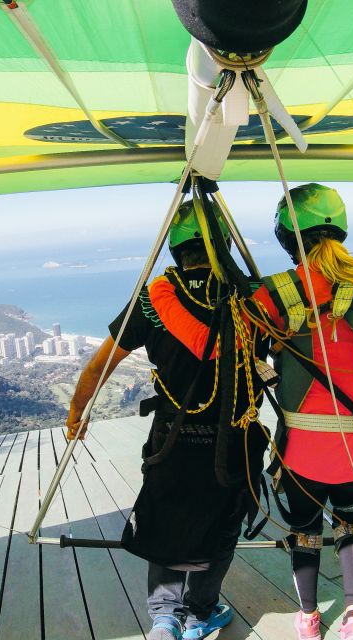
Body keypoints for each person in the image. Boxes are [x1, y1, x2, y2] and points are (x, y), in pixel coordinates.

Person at [66, 198, 268, 640]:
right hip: (232, 437)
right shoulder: (251, 295)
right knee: (222, 519)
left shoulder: (153, 300)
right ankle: (200, 611)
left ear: (176, 248)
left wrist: (76, 413)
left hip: (172, 436)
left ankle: (164, 618)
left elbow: (99, 366)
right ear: (223, 244)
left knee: (168, 512)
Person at [248, 183, 353, 640]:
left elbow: (247, 355)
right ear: (340, 230)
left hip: (301, 450)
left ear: (285, 237)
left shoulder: (275, 294)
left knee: (304, 528)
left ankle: (307, 618)